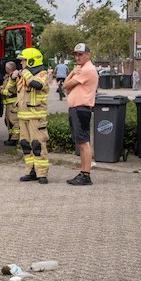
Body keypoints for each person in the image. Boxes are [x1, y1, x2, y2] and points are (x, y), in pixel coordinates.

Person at [62, 42, 99, 186]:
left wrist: (73, 72)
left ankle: (86, 174)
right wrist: (73, 71)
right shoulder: (82, 69)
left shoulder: (87, 70)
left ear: (88, 55)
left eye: (80, 54)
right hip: (77, 109)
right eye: (76, 55)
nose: (78, 57)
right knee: (81, 143)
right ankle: (83, 172)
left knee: (84, 143)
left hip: (81, 109)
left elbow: (66, 85)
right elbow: (67, 86)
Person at [16, 47, 51, 184]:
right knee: (25, 145)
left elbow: (36, 84)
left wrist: (25, 73)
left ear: (30, 62)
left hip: (36, 118)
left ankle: (42, 173)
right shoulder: (24, 76)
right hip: (23, 117)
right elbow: (14, 90)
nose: (21, 64)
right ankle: (30, 171)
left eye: (23, 61)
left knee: (38, 145)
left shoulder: (41, 74)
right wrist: (14, 78)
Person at [0, 60, 21, 146]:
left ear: (7, 69)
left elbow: (9, 91)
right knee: (8, 121)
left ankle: (14, 139)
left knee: (14, 122)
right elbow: (5, 86)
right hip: (9, 104)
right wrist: (0, 88)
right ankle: (11, 137)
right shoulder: (8, 77)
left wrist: (1, 91)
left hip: (13, 104)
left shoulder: (14, 77)